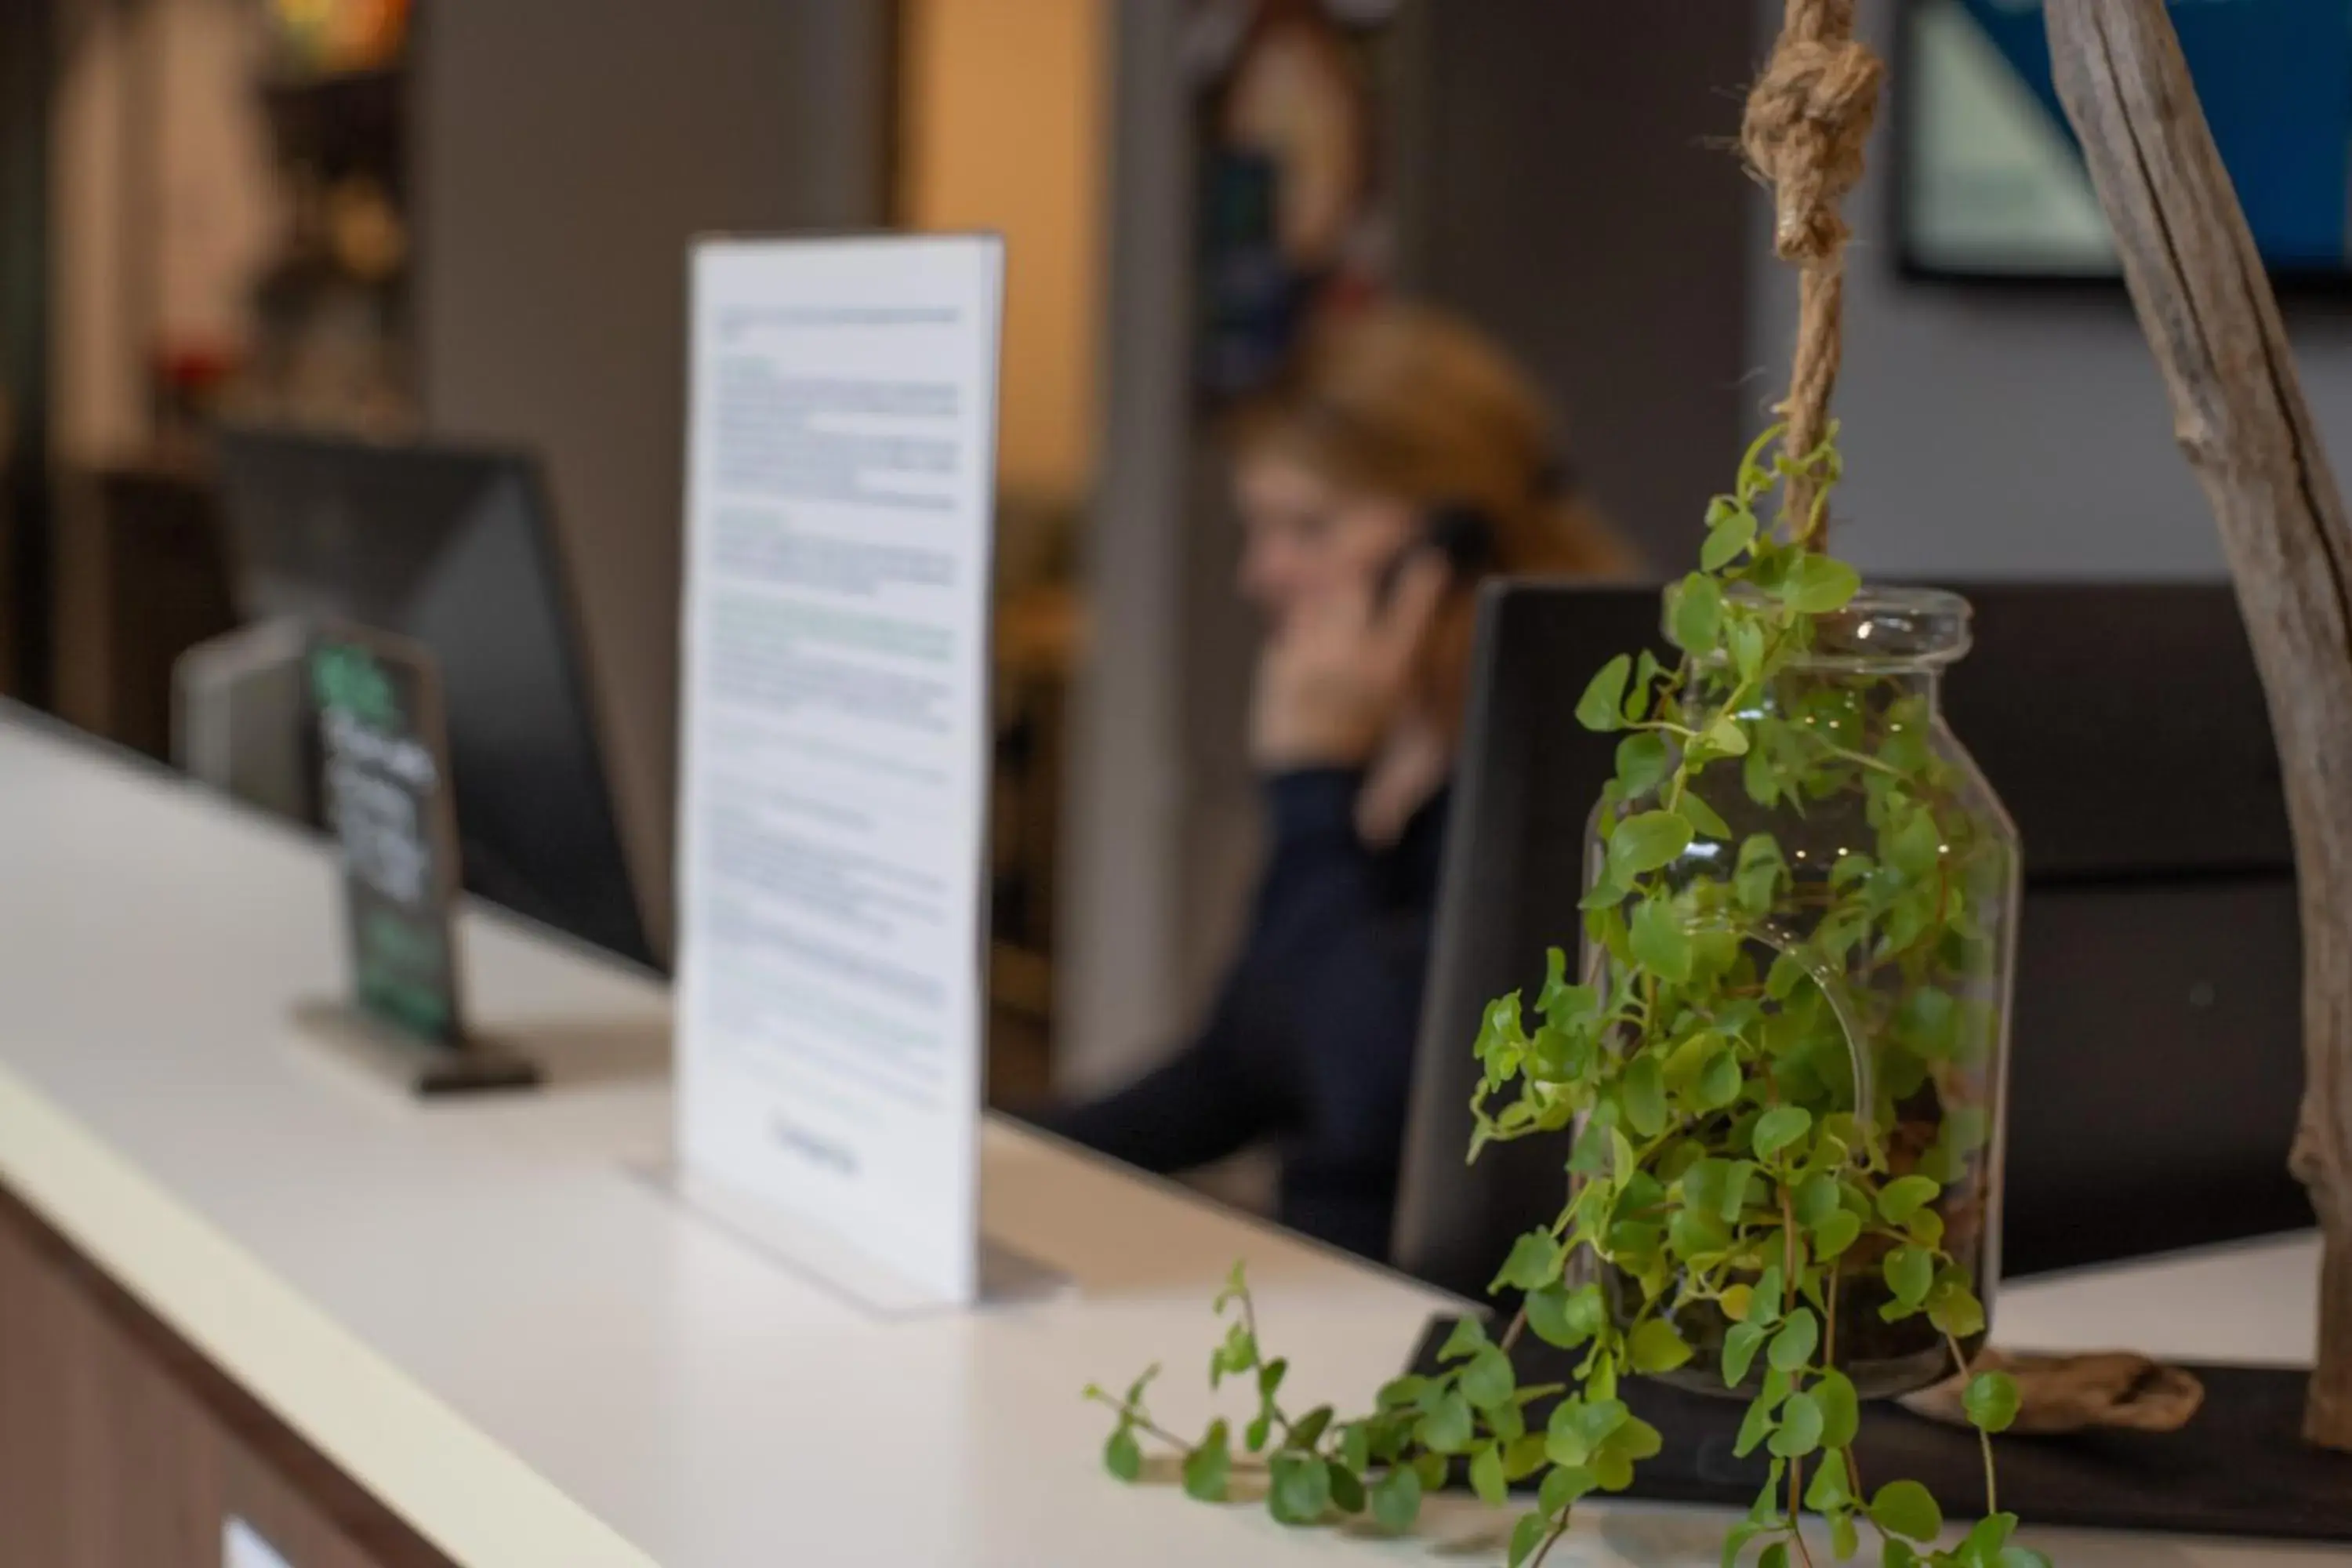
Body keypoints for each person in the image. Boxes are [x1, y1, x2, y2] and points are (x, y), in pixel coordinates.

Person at [1045, 303, 1637, 1260]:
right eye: (1259, 527)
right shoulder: (1396, 751)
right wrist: (998, 1149)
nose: (1260, 573)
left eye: (1306, 526)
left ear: (1455, 541)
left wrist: (1313, 786)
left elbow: (1372, 1093)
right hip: (1327, 1287)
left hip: (1446, 1337)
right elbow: (1246, 1063)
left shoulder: (1579, 774)